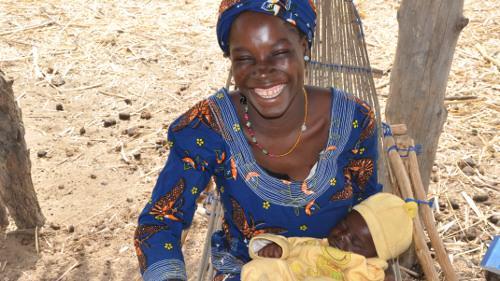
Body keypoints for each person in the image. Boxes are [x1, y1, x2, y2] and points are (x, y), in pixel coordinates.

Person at [134, 0, 382, 280]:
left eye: (279, 53)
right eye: (244, 58)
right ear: (231, 60)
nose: (262, 71)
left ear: (304, 46)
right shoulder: (208, 127)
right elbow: (160, 220)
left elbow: (371, 210)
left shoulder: (353, 121)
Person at [241, 193, 416, 281]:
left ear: (376, 255)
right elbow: (291, 245)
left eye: (355, 241)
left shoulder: (368, 269)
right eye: (344, 226)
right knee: (257, 269)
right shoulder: (318, 243)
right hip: (291, 276)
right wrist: (276, 248)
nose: (342, 237)